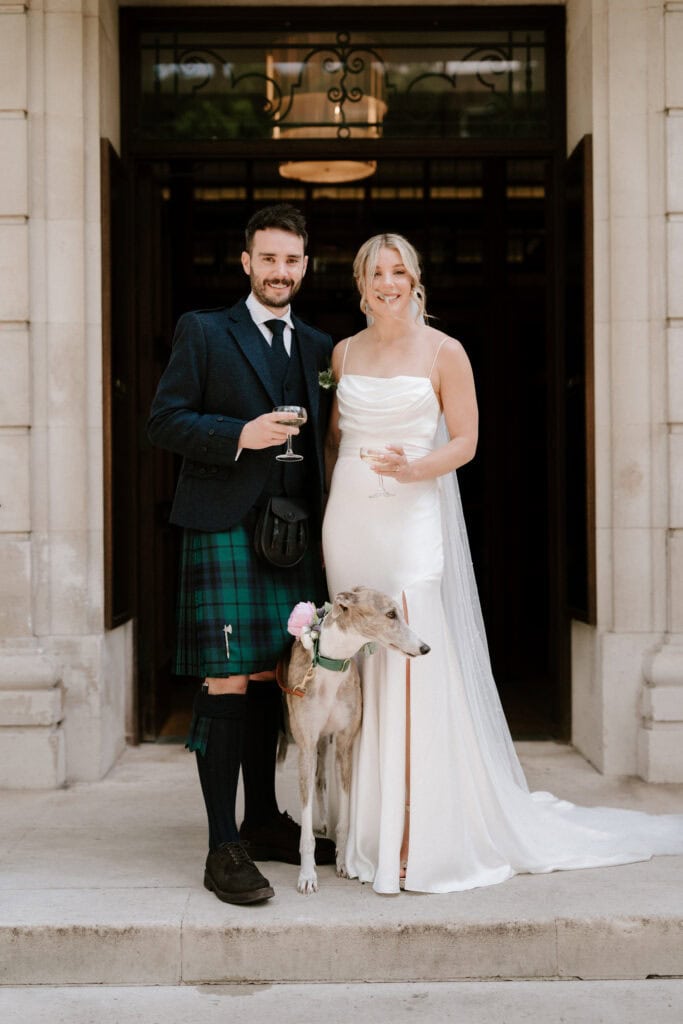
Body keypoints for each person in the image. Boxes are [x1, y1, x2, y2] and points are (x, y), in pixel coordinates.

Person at [322, 232, 683, 895]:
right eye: (375, 271)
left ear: (415, 278)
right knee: (357, 666)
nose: (388, 281)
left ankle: (420, 832)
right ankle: (365, 827)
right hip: (349, 518)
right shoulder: (342, 353)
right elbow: (338, 439)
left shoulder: (444, 351)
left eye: (399, 270)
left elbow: (466, 439)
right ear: (359, 281)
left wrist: (414, 468)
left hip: (412, 516)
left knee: (411, 651)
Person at [148, 204, 335, 905]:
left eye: (292, 260)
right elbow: (163, 422)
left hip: (296, 535)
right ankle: (221, 844)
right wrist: (240, 434)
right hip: (226, 524)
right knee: (226, 679)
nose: (280, 271)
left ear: (304, 266)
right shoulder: (204, 330)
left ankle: (263, 820)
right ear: (246, 262)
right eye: (269, 259)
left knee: (274, 675)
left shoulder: (319, 346)